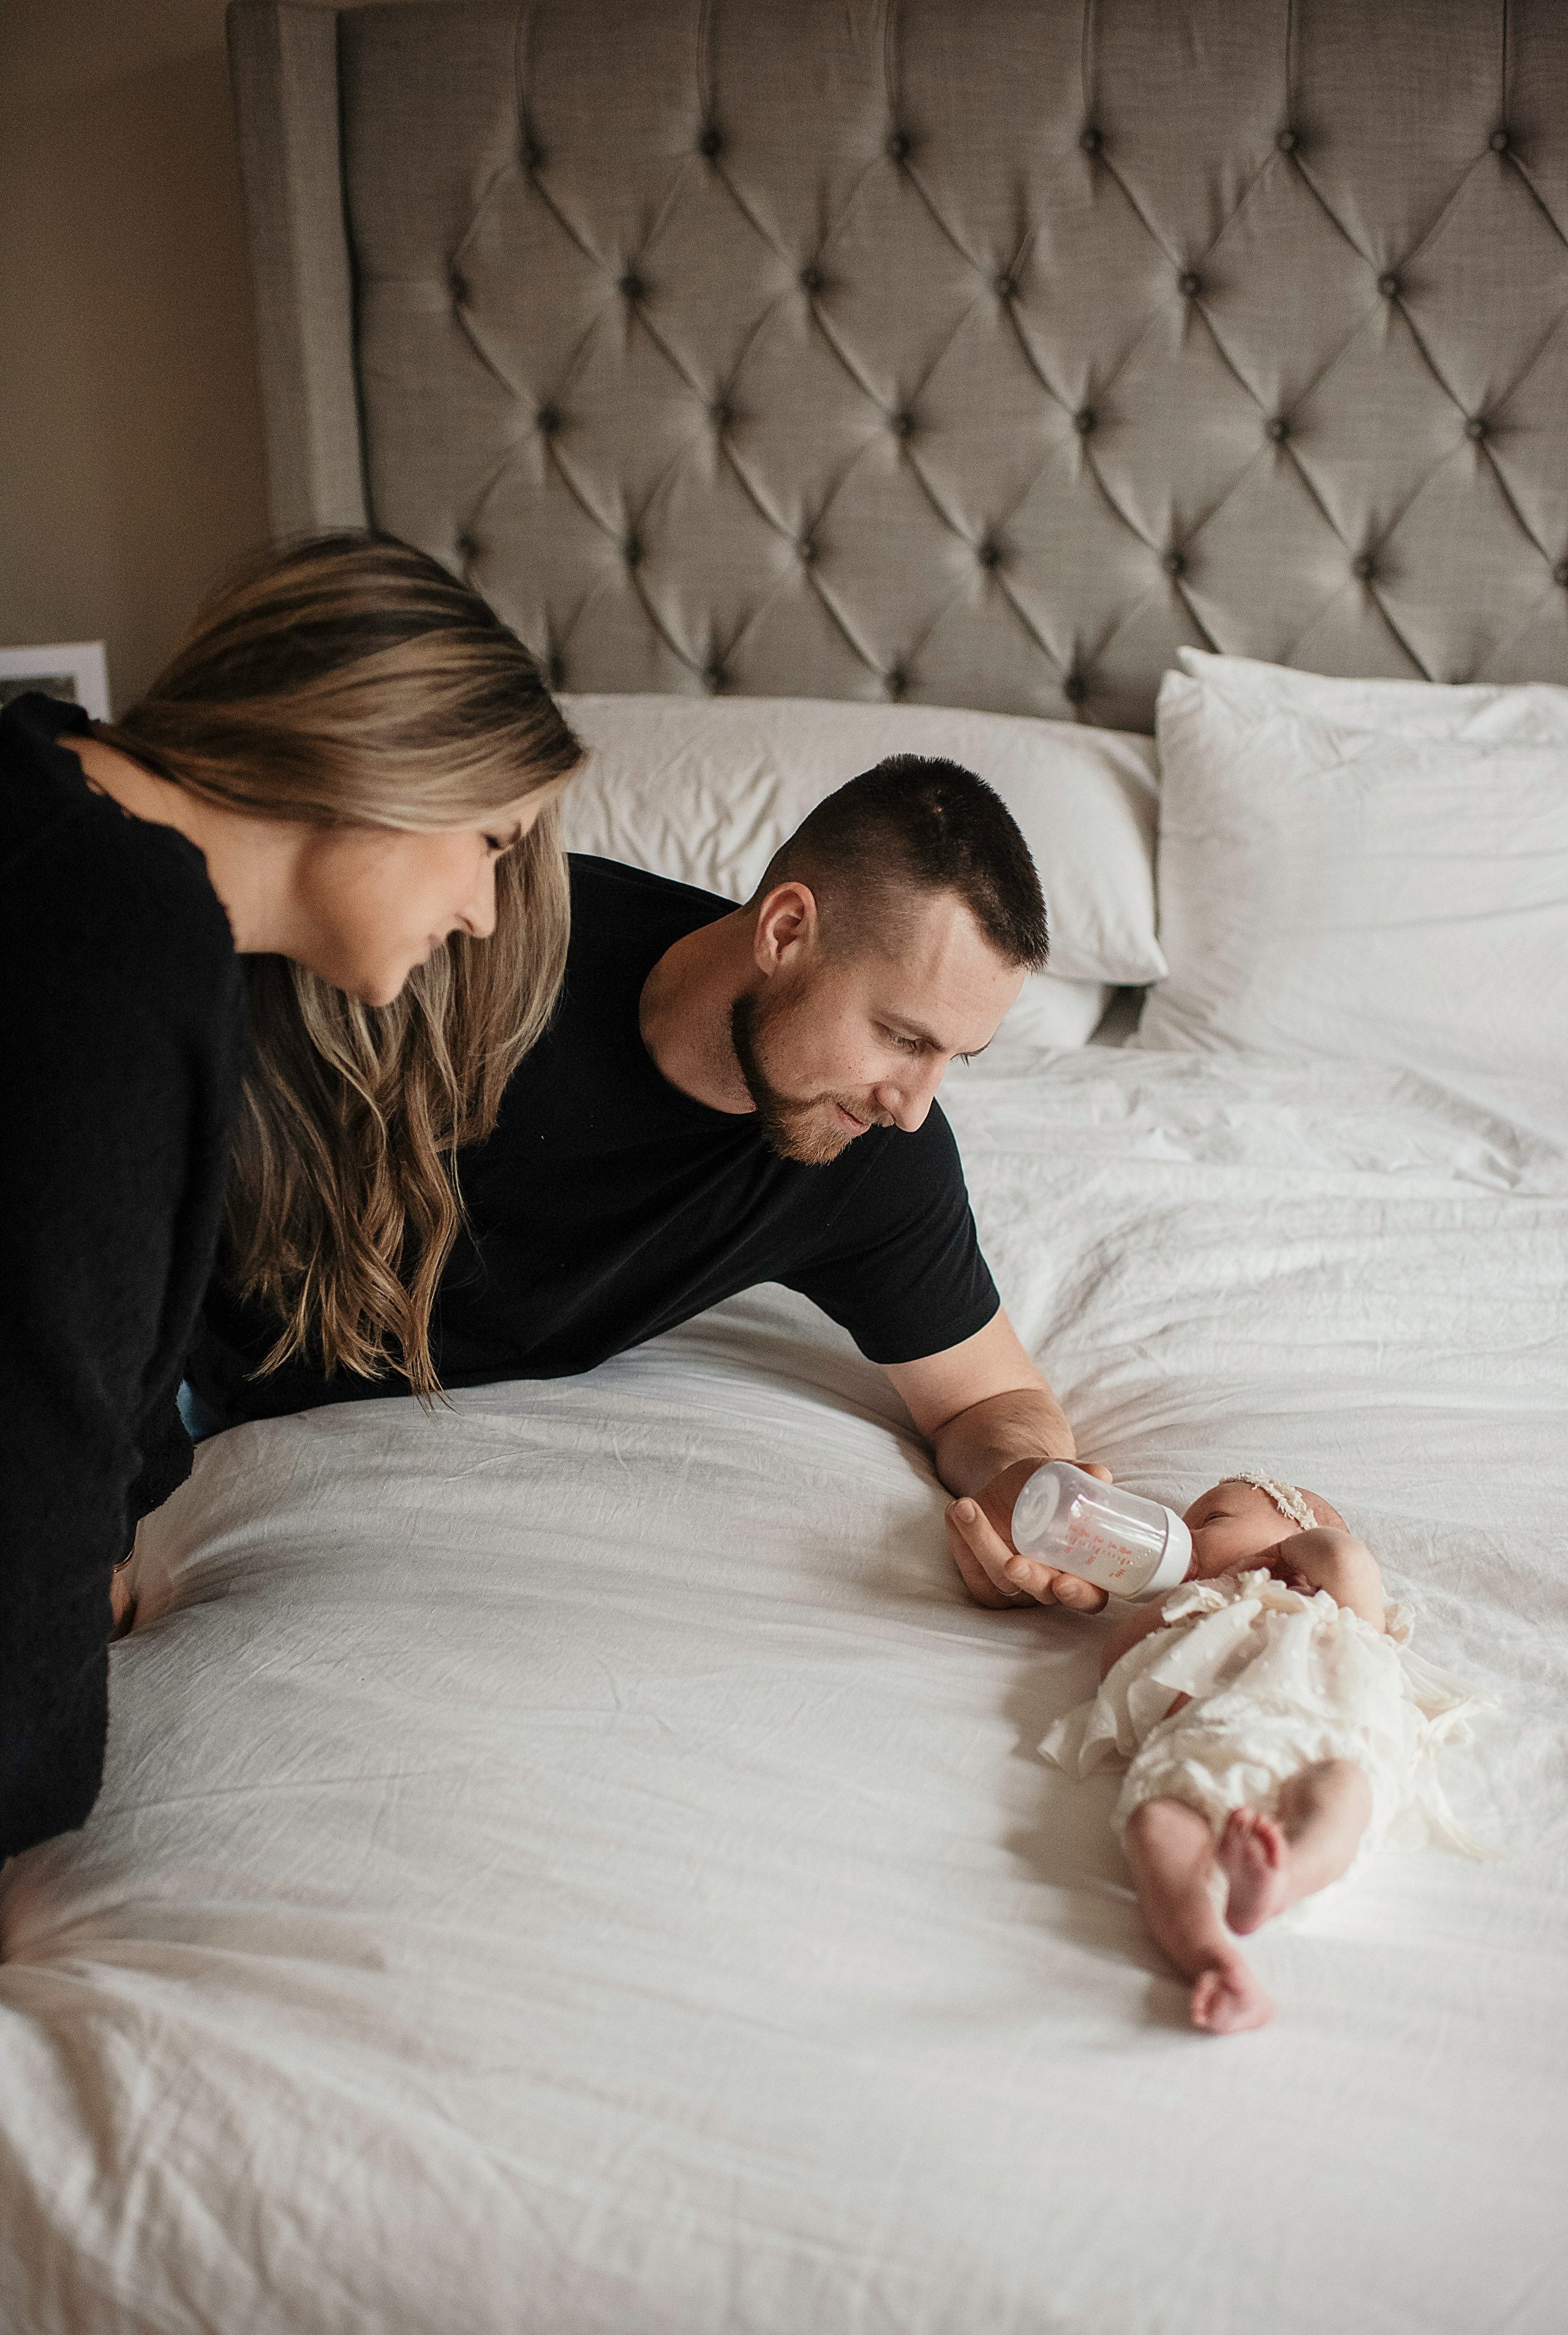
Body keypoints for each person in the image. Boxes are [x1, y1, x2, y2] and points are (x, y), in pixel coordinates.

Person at [190, 756, 1109, 1598]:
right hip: (173, 1360)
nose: (912, 1101)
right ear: (787, 928)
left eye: (956, 1054)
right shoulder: (484, 944)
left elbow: (989, 1398)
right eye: (903, 1037)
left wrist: (1025, 1480)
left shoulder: (870, 1149)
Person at [1, 533, 582, 1864]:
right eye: (488, 842)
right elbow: (36, 1411)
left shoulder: (51, 794)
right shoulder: (123, 938)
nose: (488, 914)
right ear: (389, 761)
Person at [1042, 1474, 1487, 2035]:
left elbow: (1346, 1562)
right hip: (1199, 1749)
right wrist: (1177, 1600)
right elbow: (1119, 1664)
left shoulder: (1332, 1607)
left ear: (1292, 1536)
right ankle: (1213, 1958)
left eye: (1211, 1520)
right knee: (1154, 1823)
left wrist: (1298, 1555)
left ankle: (1287, 1873)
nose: (1185, 1531)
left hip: (1320, 1740)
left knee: (1343, 1791)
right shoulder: (1197, 1607)